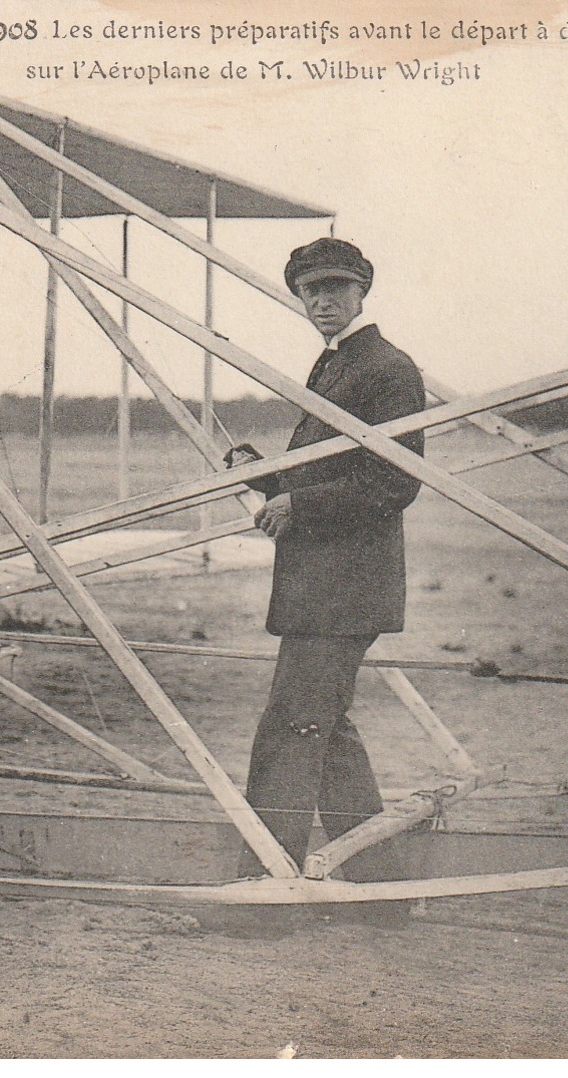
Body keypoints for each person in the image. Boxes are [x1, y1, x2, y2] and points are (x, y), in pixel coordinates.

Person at [227, 237, 426, 926]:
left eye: (337, 288)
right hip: (324, 587)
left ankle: (264, 893)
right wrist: (258, 472)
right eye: (312, 290)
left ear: (362, 291)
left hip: (343, 590)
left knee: (290, 728)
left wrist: (297, 503)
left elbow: (393, 481)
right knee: (326, 730)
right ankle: (376, 893)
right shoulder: (335, 365)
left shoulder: (385, 368)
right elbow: (322, 471)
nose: (324, 301)